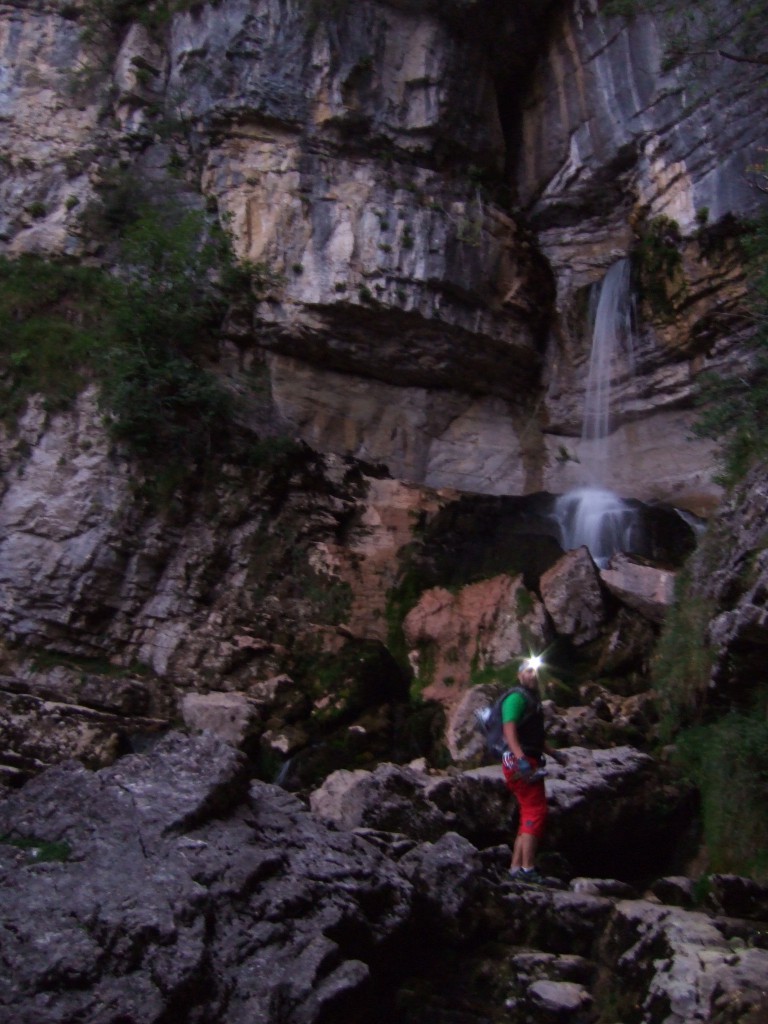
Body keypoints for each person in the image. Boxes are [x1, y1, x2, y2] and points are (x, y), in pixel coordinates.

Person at [501, 658, 566, 884]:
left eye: (535, 671)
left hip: (527, 758)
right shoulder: (516, 698)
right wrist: (521, 759)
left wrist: (555, 754)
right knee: (536, 811)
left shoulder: (529, 699)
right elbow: (509, 730)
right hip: (520, 762)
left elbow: (534, 737)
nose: (532, 675)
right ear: (519, 675)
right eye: (528, 671)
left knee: (527, 812)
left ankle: (515, 868)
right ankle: (528, 871)